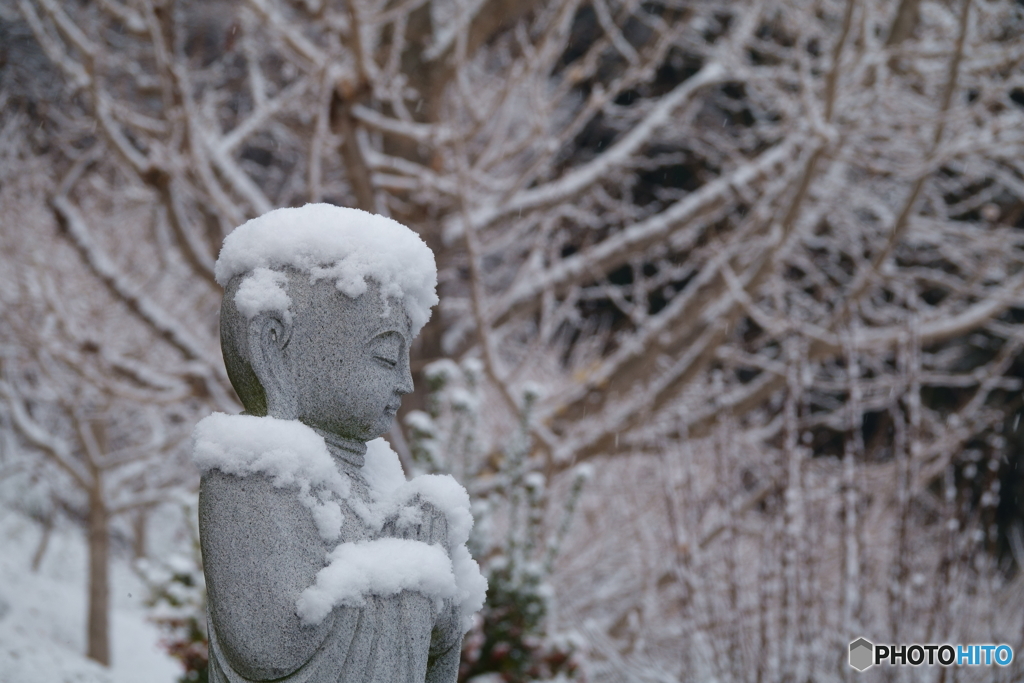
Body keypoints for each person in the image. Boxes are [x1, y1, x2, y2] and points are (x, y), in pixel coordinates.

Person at [195, 205, 483, 683]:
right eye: (386, 354)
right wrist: (410, 579)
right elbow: (269, 647)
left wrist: (442, 606)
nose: (407, 382)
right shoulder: (250, 475)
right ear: (273, 346)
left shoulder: (374, 487)